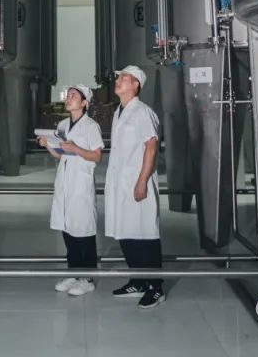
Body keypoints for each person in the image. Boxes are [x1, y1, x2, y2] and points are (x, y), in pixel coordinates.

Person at [104, 65, 165, 308]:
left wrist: (142, 181)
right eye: (118, 77)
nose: (118, 81)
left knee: (144, 234)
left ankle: (155, 287)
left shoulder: (142, 112)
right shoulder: (119, 112)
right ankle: (138, 281)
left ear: (136, 84)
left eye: (124, 78)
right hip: (120, 183)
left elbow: (151, 147)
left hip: (137, 181)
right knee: (126, 231)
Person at [40, 83, 104, 296]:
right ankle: (73, 272)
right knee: (67, 227)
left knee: (83, 230)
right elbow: (60, 154)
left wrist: (75, 148)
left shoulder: (91, 126)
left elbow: (96, 156)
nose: (68, 98)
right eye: (68, 95)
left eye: (73, 96)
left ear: (84, 103)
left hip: (81, 183)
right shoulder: (62, 125)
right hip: (65, 182)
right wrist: (48, 144)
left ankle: (87, 278)